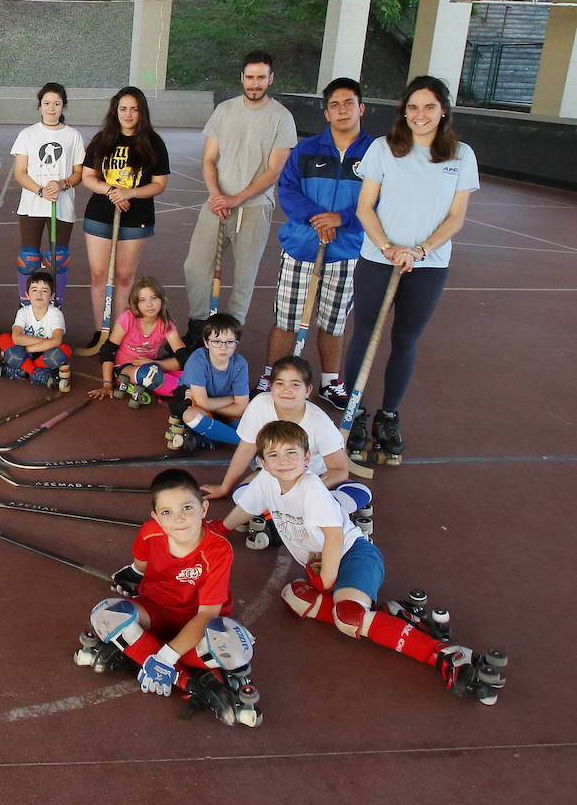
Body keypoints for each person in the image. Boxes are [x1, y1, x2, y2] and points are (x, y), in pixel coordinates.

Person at [220, 421, 504, 705]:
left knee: (348, 618)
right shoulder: (265, 482)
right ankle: (390, 618)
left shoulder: (311, 488)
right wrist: (217, 529)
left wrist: (327, 581)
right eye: (274, 455)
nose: (283, 461)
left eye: (291, 453)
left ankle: (444, 654)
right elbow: (244, 510)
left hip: (354, 556)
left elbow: (333, 538)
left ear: (307, 458)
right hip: (322, 564)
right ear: (262, 462)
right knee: (294, 596)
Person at [343, 75, 479, 467]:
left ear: (443, 111)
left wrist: (420, 251)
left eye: (429, 107)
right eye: (414, 107)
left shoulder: (461, 155)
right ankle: (355, 414)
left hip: (428, 265)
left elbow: (456, 218)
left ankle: (388, 417)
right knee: (365, 335)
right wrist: (388, 247)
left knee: (405, 340)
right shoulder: (384, 149)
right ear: (404, 111)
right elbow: (365, 206)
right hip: (378, 259)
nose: (421, 115)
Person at [74, 468, 262, 727]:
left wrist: (165, 657)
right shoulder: (150, 533)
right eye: (167, 512)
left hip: (197, 624)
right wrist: (129, 580)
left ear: (204, 508)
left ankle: (140, 651)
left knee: (236, 649)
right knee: (104, 614)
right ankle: (189, 680)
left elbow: (207, 613)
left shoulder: (218, 550)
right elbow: (138, 566)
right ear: (156, 518)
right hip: (155, 613)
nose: (179, 519)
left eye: (187, 508)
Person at [256, 77, 374, 409]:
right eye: (334, 105)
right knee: (287, 319)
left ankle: (330, 382)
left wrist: (342, 219)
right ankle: (272, 376)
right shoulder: (307, 150)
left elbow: (379, 198)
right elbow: (289, 191)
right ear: (326, 113)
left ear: (360, 108)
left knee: (334, 321)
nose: (342, 110)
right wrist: (318, 218)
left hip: (347, 250)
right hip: (301, 247)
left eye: (348, 103)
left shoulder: (375, 153)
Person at [182, 51, 297, 342]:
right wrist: (217, 195)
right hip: (216, 203)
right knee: (195, 266)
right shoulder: (225, 110)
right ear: (241, 78)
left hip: (254, 208)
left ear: (270, 79)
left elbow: (274, 171)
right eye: (250, 77)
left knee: (244, 276)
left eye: (261, 77)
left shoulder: (281, 118)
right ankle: (199, 327)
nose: (255, 83)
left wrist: (237, 199)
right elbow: (209, 159)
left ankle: (230, 336)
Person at [78, 87, 170, 349]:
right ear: (115, 111)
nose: (128, 114)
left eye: (134, 109)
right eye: (123, 108)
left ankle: (117, 335)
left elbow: (159, 184)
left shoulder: (153, 143)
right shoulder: (102, 140)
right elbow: (88, 177)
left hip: (135, 218)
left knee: (124, 277)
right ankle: (101, 330)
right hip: (100, 216)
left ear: (142, 112)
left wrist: (131, 192)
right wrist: (112, 191)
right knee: (99, 274)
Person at [202, 355, 350, 502]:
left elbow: (339, 469)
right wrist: (224, 488)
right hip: (272, 474)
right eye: (280, 383)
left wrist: (303, 491)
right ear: (270, 386)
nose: (287, 390)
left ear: (307, 390)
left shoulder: (320, 422)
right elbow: (246, 449)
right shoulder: (260, 404)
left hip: (312, 478)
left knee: (355, 493)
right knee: (242, 496)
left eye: (295, 384)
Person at [10, 82, 85, 306]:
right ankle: (27, 308)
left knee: (58, 259)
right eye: (46, 103)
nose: (51, 108)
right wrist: (41, 191)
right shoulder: (27, 134)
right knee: (29, 259)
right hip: (32, 206)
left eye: (56, 103)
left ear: (63, 106)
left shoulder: (73, 136)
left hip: (62, 207)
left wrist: (62, 184)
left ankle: (55, 306)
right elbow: (20, 173)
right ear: (39, 106)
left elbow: (78, 173)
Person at [88, 277, 185, 407]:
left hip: (151, 365)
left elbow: (183, 356)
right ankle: (186, 392)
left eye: (154, 298)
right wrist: (107, 384)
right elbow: (107, 350)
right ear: (136, 304)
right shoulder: (128, 318)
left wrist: (155, 363)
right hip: (124, 367)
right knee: (149, 375)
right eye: (142, 300)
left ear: (161, 300)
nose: (149, 304)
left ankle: (188, 388)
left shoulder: (166, 324)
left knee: (189, 371)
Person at [165, 313, 249, 450]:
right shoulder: (197, 360)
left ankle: (211, 434)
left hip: (214, 405)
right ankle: (245, 443)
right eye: (216, 341)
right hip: (193, 400)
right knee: (191, 416)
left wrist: (208, 405)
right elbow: (202, 402)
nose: (223, 347)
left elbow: (241, 407)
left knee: (252, 423)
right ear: (206, 343)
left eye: (229, 342)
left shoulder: (240, 364)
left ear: (236, 343)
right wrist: (231, 399)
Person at [0, 270, 70, 390]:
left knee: (64, 350)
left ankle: (20, 368)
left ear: (52, 296)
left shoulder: (56, 314)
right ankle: (34, 372)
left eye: (44, 291)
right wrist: (44, 341)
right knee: (4, 338)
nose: (39, 294)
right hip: (24, 348)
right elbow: (16, 338)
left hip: (40, 352)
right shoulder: (23, 312)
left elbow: (56, 341)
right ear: (27, 295)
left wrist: (25, 349)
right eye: (34, 290)